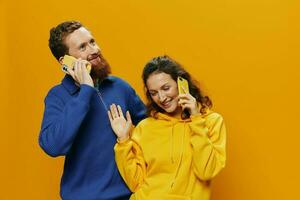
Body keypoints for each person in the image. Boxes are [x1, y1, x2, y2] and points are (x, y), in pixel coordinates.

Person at [38, 20, 146, 200]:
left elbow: (153, 129)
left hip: (130, 195)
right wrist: (86, 90)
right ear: (65, 61)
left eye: (92, 42)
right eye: (82, 47)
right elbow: (53, 146)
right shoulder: (57, 96)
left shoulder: (120, 87)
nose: (94, 50)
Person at [108, 55, 226, 200]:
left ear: (182, 83)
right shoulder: (145, 127)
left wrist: (196, 119)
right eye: (154, 93)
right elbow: (135, 183)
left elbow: (206, 171)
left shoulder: (211, 122)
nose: (162, 98)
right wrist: (123, 140)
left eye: (166, 88)